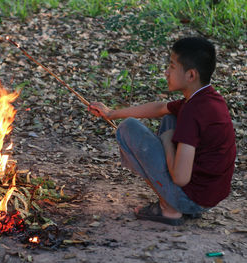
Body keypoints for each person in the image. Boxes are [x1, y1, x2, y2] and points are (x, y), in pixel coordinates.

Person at [88, 37, 236, 226]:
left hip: (192, 198)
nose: (166, 72)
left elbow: (181, 178)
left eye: (172, 67)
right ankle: (176, 204)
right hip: (207, 196)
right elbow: (160, 108)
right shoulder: (208, 98)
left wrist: (167, 141)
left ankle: (169, 208)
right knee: (169, 118)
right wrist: (111, 113)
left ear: (191, 75)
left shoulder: (193, 111)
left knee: (127, 128)